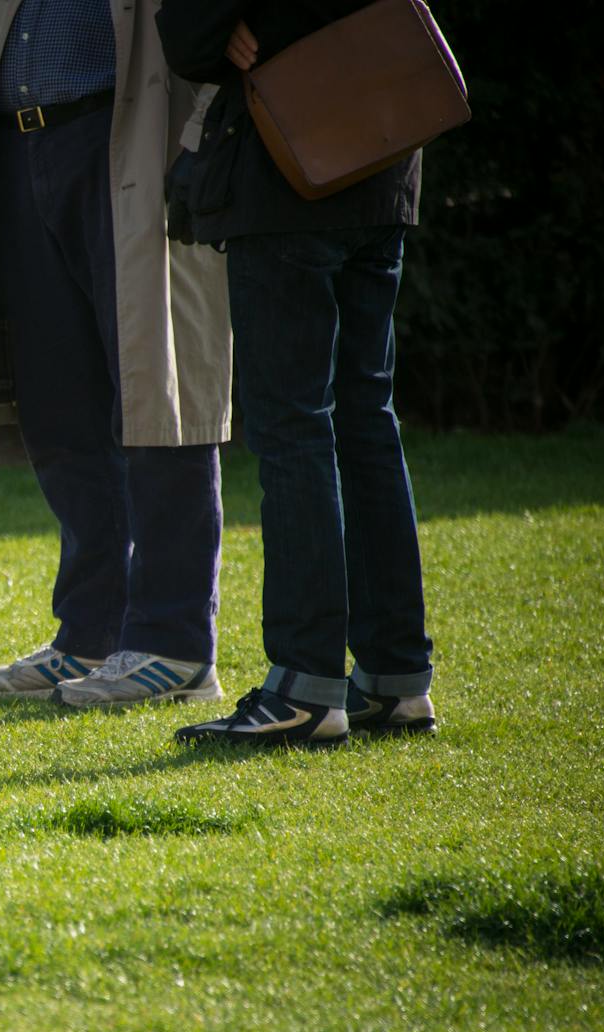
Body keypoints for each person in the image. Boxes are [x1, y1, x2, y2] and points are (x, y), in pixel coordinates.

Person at [0, 0, 234, 709]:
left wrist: (206, 140)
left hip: (133, 136)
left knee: (158, 390)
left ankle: (175, 643)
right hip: (11, 150)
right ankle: (92, 633)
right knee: (55, 399)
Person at [157, 1, 436, 747]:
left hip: (291, 171)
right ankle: (396, 679)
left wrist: (243, 29)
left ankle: (305, 686)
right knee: (366, 420)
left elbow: (188, 34)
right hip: (383, 152)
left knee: (295, 429)